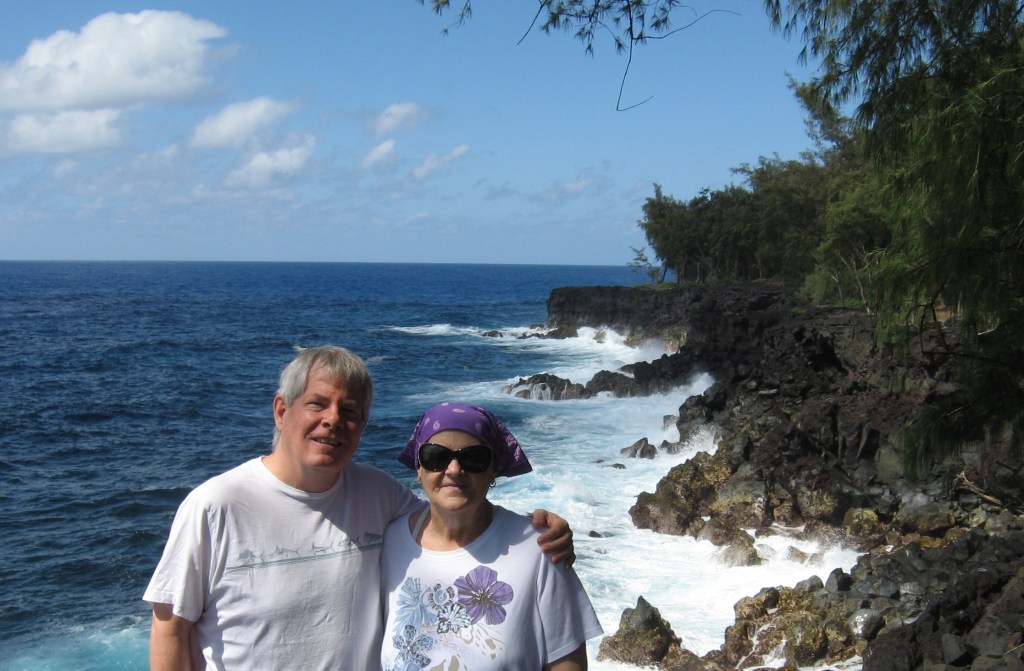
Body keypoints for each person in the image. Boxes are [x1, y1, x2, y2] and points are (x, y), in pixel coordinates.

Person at [143, 346, 574, 670]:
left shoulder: (380, 496)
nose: (333, 420)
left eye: (349, 411)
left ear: (362, 426)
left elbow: (454, 515)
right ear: (281, 410)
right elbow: (169, 626)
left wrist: (538, 529)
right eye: (317, 403)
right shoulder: (216, 506)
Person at [381, 402, 603, 671]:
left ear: (493, 470)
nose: (453, 470)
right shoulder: (391, 542)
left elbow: (568, 665)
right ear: (418, 468)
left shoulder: (540, 548)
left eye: (473, 458)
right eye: (436, 457)